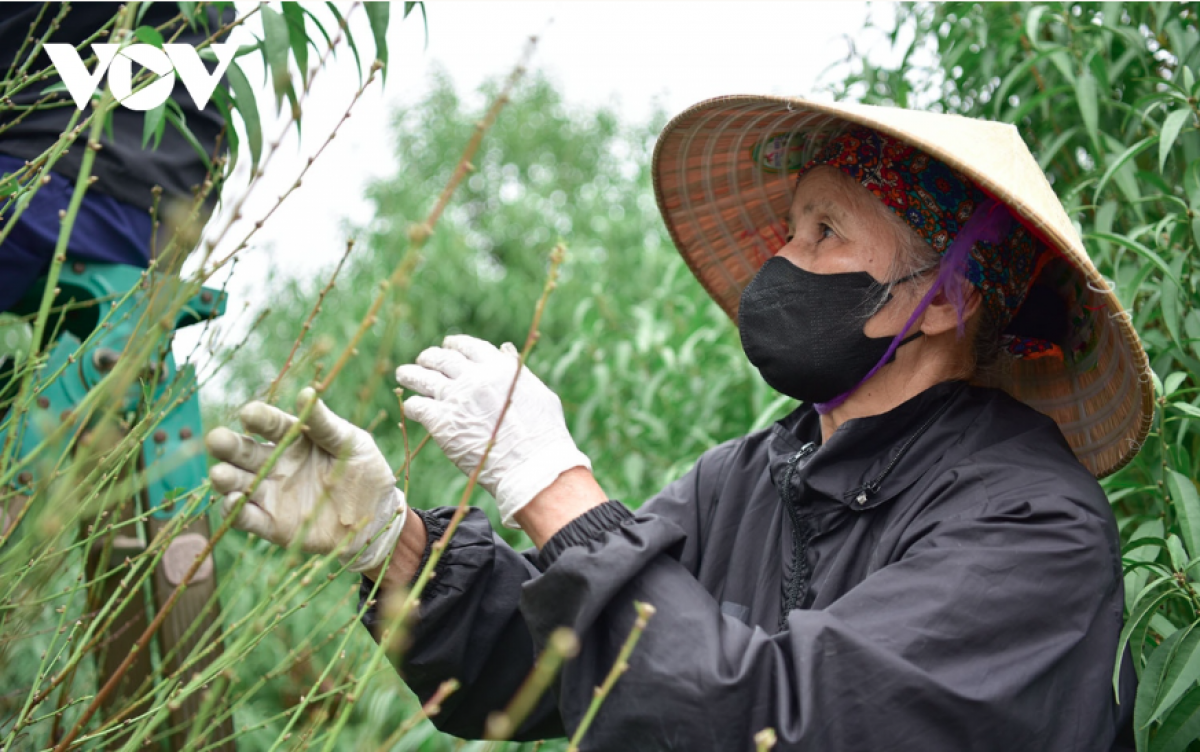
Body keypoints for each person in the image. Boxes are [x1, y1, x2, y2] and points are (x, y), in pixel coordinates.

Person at [204, 96, 1152, 750]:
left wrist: (553, 484)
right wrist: (395, 547)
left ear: (941, 302)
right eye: (789, 228)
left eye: (824, 233)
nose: (781, 260)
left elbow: (782, 724)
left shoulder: (1031, 530)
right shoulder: (745, 477)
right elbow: (542, 664)